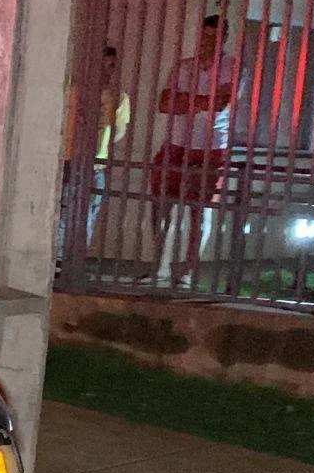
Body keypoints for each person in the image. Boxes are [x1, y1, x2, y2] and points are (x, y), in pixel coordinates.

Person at [151, 15, 240, 288]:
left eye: (214, 38)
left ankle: (188, 272)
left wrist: (184, 100)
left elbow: (221, 103)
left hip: (211, 148)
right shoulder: (184, 66)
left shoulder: (232, 67)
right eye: (204, 36)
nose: (207, 42)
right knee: (161, 204)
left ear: (223, 39)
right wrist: (203, 101)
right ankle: (161, 268)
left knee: (200, 209)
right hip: (176, 144)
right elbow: (164, 103)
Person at [57, 46, 131, 265]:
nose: (107, 71)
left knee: (82, 213)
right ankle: (65, 260)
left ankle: (70, 261)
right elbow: (118, 132)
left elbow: (118, 132)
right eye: (104, 65)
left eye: (111, 66)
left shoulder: (117, 97)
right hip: (75, 160)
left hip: (94, 163)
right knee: (72, 212)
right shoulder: (76, 90)